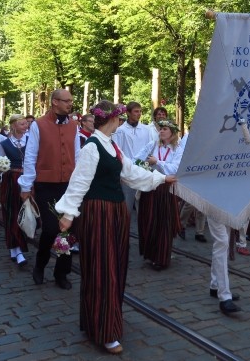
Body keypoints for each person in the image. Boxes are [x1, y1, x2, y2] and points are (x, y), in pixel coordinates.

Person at [54, 100, 174, 355]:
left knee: (115, 267)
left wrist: (162, 178)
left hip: (117, 213)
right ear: (110, 119)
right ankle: (104, 329)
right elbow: (79, 182)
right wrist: (68, 214)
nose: (121, 121)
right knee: (102, 268)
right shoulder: (92, 146)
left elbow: (131, 173)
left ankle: (102, 319)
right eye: (119, 117)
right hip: (99, 213)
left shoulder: (112, 145)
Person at [19, 89, 81, 290]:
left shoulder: (74, 126)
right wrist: (26, 185)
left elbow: (78, 155)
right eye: (66, 101)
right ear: (54, 102)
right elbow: (30, 155)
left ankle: (61, 272)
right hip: (46, 184)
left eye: (71, 101)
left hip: (68, 186)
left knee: (68, 230)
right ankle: (40, 263)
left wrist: (80, 182)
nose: (70, 104)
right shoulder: (38, 125)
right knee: (50, 229)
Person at [134, 119, 184, 270]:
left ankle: (161, 258)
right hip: (150, 186)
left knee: (163, 223)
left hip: (165, 190)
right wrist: (144, 165)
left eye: (164, 129)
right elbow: (136, 160)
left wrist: (158, 162)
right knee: (147, 220)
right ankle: (150, 254)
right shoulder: (152, 145)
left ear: (172, 133)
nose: (161, 131)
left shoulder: (178, 148)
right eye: (160, 129)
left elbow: (175, 168)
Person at [0, 114, 30, 266]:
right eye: (22, 124)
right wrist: (0, 170)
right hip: (11, 182)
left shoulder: (30, 141)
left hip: (28, 180)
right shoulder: (4, 144)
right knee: (12, 213)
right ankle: (17, 249)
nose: (25, 126)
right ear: (14, 126)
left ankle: (16, 245)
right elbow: (0, 164)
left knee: (27, 214)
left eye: (25, 124)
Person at [113, 102, 156, 213]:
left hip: (143, 168)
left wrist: (147, 167)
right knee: (127, 204)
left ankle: (144, 230)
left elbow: (150, 148)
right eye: (136, 111)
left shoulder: (146, 129)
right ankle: (124, 229)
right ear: (128, 113)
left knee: (144, 207)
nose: (139, 114)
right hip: (128, 169)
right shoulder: (120, 131)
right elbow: (118, 151)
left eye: (140, 111)